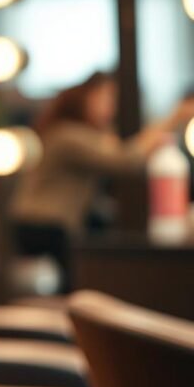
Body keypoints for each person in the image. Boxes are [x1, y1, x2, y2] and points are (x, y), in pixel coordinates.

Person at [10, 71, 194, 291]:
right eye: (104, 99)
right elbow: (125, 159)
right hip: (44, 225)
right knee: (77, 284)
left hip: (50, 224)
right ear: (84, 98)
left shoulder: (80, 134)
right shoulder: (68, 135)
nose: (110, 108)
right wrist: (173, 119)